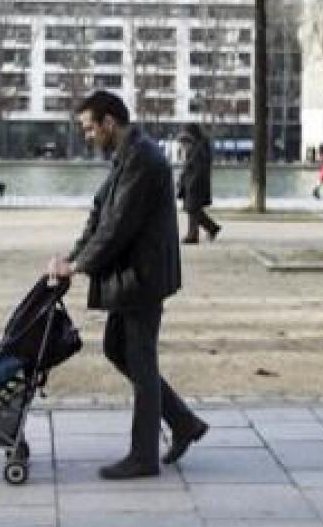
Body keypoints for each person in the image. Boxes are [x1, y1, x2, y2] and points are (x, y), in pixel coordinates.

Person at [47, 90, 207, 480]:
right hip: (134, 276)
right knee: (119, 348)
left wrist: (79, 266)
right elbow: (100, 216)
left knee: (139, 357)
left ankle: (144, 455)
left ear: (108, 123)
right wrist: (71, 258)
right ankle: (182, 422)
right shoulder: (127, 155)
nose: (87, 136)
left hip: (143, 278)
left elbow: (117, 227)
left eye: (89, 128)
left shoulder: (142, 158)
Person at [177, 123, 220, 244]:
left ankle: (193, 235)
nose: (184, 144)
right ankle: (212, 228)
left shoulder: (199, 149)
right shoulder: (196, 147)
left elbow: (198, 169)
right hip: (192, 185)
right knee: (194, 210)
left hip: (196, 186)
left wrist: (190, 183)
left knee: (193, 209)